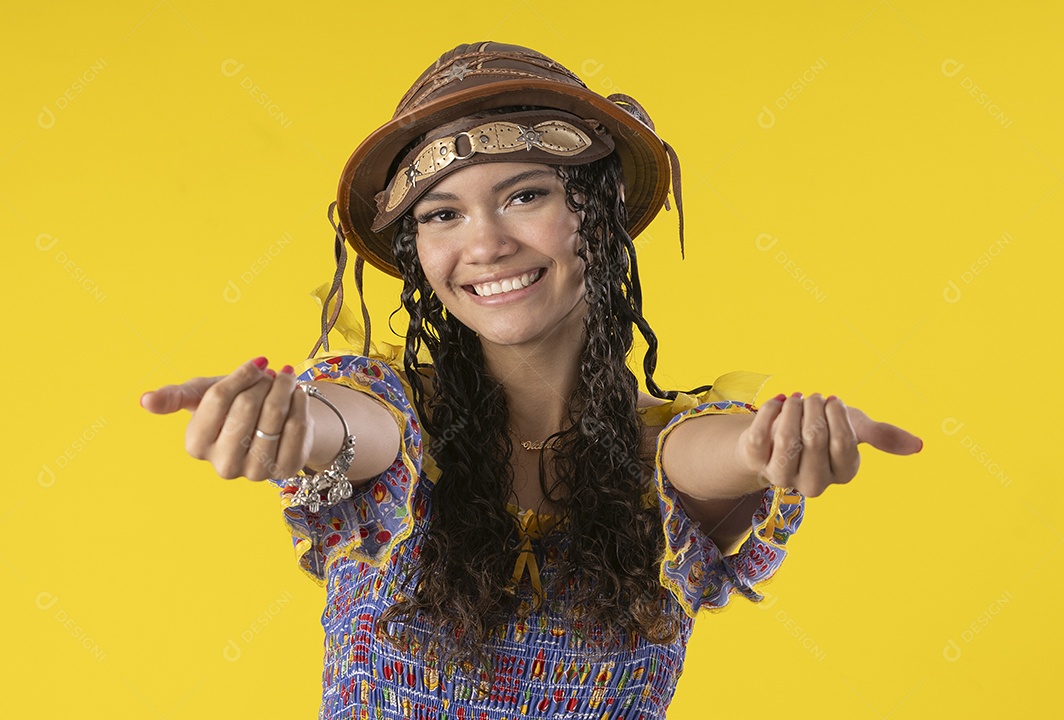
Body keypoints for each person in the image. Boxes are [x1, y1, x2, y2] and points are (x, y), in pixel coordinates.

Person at [140, 42, 922, 719]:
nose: (485, 244)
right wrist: (288, 421)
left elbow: (712, 453)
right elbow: (351, 428)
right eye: (442, 214)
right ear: (417, 250)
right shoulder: (393, 419)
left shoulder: (667, 458)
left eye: (524, 196)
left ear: (599, 208)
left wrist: (774, 443)